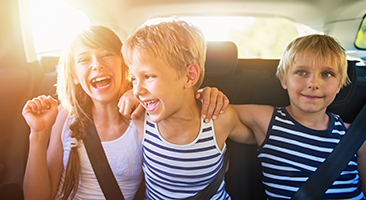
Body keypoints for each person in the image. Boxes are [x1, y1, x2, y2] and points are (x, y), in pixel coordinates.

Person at [21, 25, 228, 200]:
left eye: (106, 55)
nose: (97, 65)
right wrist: (38, 134)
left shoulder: (148, 118)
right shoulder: (66, 117)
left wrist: (201, 95)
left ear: (126, 66)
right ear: (74, 75)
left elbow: (181, 108)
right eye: (84, 60)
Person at [121, 19, 255, 200]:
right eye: (134, 79)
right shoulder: (139, 117)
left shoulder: (218, 120)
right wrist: (127, 93)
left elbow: (256, 136)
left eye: (149, 76)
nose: (137, 89)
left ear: (190, 76)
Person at [232, 34, 366, 199]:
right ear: (284, 79)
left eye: (326, 74)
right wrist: (208, 95)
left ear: (339, 85)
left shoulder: (354, 136)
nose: (314, 83)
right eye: (302, 72)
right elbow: (217, 112)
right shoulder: (268, 121)